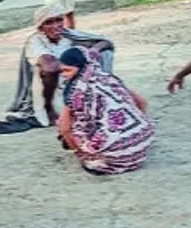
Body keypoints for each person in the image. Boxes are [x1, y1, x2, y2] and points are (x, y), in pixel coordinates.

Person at [0, 3, 114, 133]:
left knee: (104, 54)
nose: (56, 26)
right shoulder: (35, 41)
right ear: (41, 27)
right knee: (48, 72)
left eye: (59, 20)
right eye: (49, 22)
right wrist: (73, 65)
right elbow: (50, 68)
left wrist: (93, 51)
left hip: (74, 83)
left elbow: (105, 42)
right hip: (51, 90)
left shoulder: (68, 35)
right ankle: (48, 108)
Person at [58, 46, 154, 175]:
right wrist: (134, 129)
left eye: (67, 70)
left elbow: (65, 129)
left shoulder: (74, 92)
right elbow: (142, 103)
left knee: (70, 125)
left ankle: (98, 156)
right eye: (62, 71)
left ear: (81, 67)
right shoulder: (109, 78)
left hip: (116, 154)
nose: (64, 75)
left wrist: (78, 153)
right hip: (143, 143)